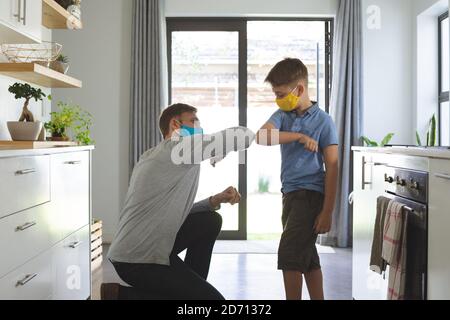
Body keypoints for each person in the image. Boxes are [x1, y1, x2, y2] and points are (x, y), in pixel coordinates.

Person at [101, 103, 255, 300]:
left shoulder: (156, 155)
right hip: (137, 259)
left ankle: (190, 288)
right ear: (175, 125)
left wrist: (214, 200)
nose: (199, 128)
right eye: (193, 122)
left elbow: (174, 212)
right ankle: (120, 296)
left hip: (145, 250)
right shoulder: (177, 150)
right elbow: (240, 135)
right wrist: (226, 147)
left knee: (209, 219)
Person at [256, 58, 339, 300]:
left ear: (299, 89)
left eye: (280, 93)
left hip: (310, 196)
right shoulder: (284, 115)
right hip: (290, 195)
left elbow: (332, 167)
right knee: (307, 255)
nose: (278, 98)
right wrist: (298, 137)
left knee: (290, 253)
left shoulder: (324, 121)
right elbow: (262, 136)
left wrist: (328, 211)